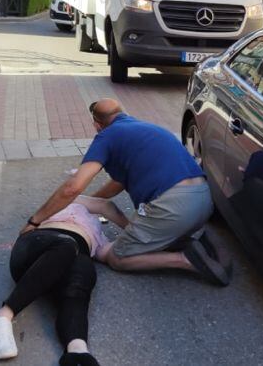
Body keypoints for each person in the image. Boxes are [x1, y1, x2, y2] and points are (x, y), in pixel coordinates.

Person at [23, 99, 232, 286]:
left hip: (173, 209)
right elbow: (117, 184)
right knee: (154, 228)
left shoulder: (107, 136)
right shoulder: (146, 128)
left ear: (97, 125)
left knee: (116, 258)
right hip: (203, 201)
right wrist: (93, 203)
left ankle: (187, 260)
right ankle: (195, 240)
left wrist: (35, 221)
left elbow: (73, 187)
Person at [0, 198, 109, 365]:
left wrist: (144, 234)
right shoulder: (64, 203)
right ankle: (1, 316)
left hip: (68, 262)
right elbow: (101, 204)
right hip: (37, 245)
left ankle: (77, 351)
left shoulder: (99, 233)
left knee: (84, 268)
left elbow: (116, 256)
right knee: (67, 245)